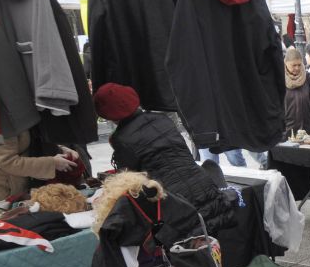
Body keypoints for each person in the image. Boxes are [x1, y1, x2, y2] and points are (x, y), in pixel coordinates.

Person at [95, 82, 236, 233]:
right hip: (205, 188)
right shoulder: (162, 119)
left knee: (196, 237)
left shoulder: (121, 139)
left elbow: (131, 179)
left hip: (176, 202)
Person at [0, 115, 79, 205]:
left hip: (10, 181)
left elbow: (31, 140)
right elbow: (8, 161)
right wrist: (52, 163)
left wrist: (60, 150)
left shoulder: (20, 111)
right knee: (0, 225)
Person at [281, 46, 310, 136]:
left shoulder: (307, 78)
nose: (297, 68)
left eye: (299, 65)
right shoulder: (279, 79)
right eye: (293, 65)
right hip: (287, 132)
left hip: (307, 130)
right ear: (286, 63)